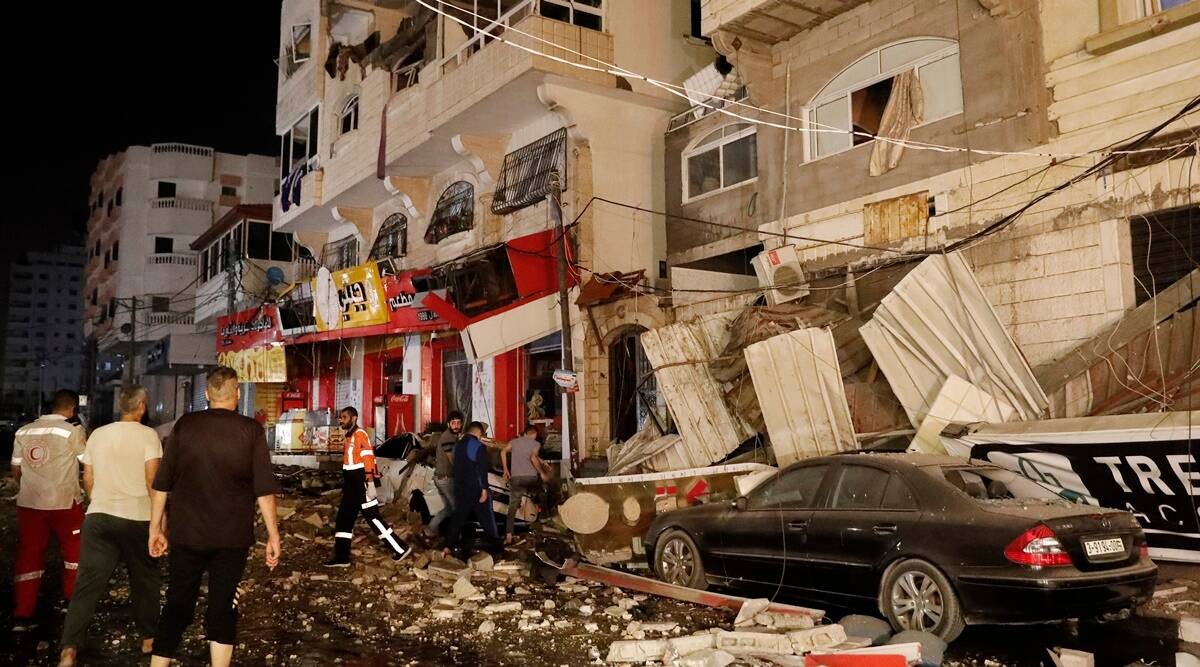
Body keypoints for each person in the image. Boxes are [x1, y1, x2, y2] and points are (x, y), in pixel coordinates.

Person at [148, 367, 281, 667]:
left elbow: (162, 484)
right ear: (237, 394)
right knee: (222, 608)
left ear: (207, 394)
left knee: (177, 606)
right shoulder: (251, 430)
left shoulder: (185, 426)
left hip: (186, 534)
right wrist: (273, 536)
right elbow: (264, 490)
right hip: (231, 538)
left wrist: (155, 528)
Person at [59, 385, 162, 667]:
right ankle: (149, 639)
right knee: (145, 580)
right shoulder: (148, 436)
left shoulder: (98, 435)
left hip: (99, 517)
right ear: (141, 406)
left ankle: (69, 649)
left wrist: (100, 502)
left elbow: (88, 479)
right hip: (137, 517)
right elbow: (152, 481)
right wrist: (159, 522)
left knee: (87, 584)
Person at [10, 390, 87, 631]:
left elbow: (16, 469)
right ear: (72, 408)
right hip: (64, 502)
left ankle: (23, 614)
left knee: (29, 555)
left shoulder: (23, 431)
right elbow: (87, 462)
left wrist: (29, 484)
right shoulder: (72, 431)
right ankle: (71, 603)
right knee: (74, 554)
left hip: (30, 504)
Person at [325, 407, 410, 567]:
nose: (341, 420)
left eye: (344, 417)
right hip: (351, 484)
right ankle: (342, 557)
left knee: (373, 517)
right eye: (340, 417)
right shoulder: (349, 436)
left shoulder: (360, 434)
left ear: (354, 418)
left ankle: (400, 548)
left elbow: (369, 460)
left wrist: (370, 484)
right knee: (344, 518)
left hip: (360, 482)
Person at [446, 421, 499, 559]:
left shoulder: (458, 445)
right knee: (487, 517)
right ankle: (496, 546)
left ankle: (448, 546)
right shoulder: (478, 446)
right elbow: (481, 469)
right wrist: (484, 489)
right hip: (475, 488)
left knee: (458, 517)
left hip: (459, 487)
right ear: (478, 433)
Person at [502, 425, 550, 545]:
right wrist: (542, 473)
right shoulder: (535, 444)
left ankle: (509, 535)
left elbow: (503, 451)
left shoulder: (514, 442)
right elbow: (533, 458)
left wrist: (505, 470)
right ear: (533, 434)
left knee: (512, 507)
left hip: (516, 479)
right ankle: (543, 520)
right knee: (542, 493)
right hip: (530, 479)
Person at [424, 411, 462, 538]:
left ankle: (430, 530)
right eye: (453, 423)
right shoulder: (448, 438)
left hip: (441, 478)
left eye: (458, 423)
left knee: (449, 509)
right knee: (457, 508)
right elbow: (453, 460)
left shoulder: (452, 437)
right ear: (448, 424)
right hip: (446, 479)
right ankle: (455, 537)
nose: (456, 426)